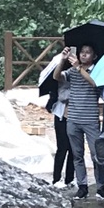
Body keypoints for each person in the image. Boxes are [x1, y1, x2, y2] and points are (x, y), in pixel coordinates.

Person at [51, 43, 104, 198]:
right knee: (77, 155)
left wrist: (79, 68)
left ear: (94, 56)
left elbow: (95, 83)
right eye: (82, 52)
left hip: (90, 119)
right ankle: (82, 186)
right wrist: (62, 60)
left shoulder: (97, 72)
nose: (84, 55)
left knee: (96, 155)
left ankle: (101, 186)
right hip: (73, 118)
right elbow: (56, 77)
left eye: (88, 52)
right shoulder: (72, 70)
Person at [39, 55, 73, 187]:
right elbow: (58, 80)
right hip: (61, 114)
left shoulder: (82, 73)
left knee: (74, 149)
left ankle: (70, 179)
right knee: (62, 147)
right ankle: (56, 178)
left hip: (76, 115)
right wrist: (63, 60)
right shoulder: (64, 75)